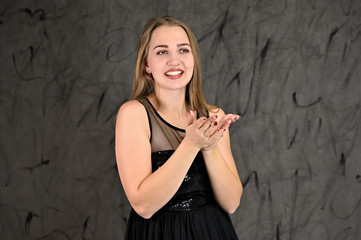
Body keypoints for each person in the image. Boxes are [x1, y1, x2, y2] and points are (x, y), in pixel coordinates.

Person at [115, 16, 243, 240]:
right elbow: (143, 205)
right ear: (147, 65)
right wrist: (192, 144)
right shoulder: (134, 114)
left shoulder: (214, 116)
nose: (175, 61)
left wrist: (210, 147)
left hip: (212, 232)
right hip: (158, 234)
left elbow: (231, 203)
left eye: (183, 50)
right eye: (162, 52)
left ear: (193, 59)